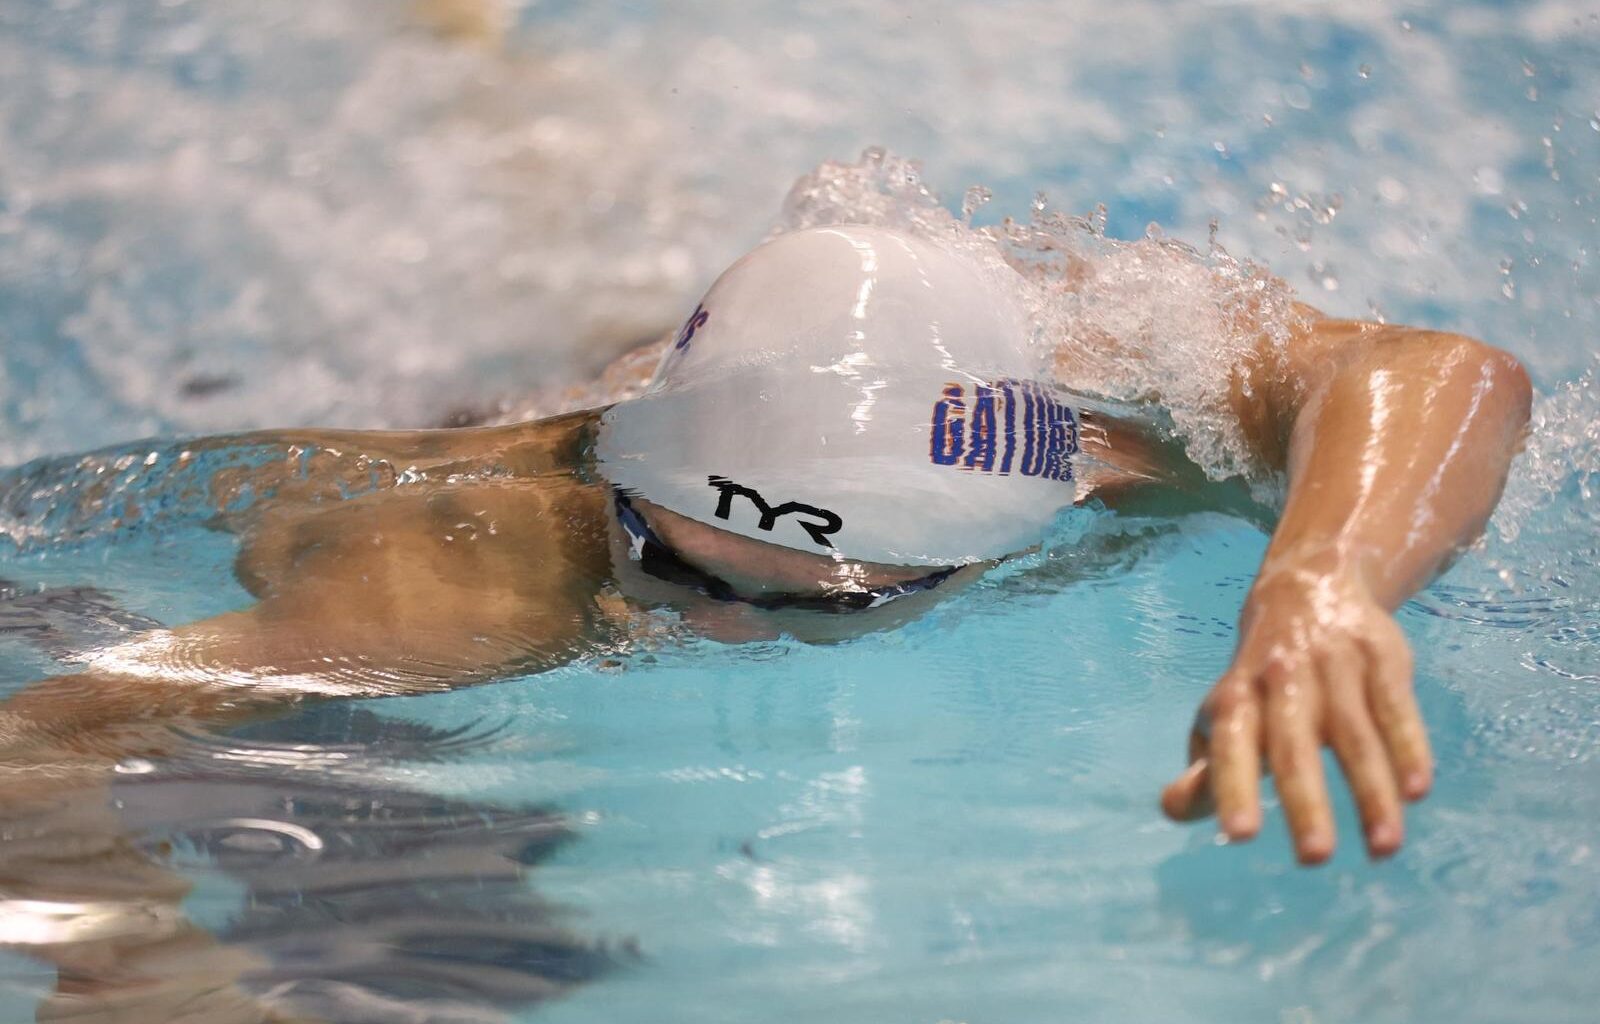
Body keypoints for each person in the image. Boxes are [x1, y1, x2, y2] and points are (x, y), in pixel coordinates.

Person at [0, 223, 1530, 875]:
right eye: (669, 564)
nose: (715, 629)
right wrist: (129, 962)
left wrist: (1321, 585)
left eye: (835, 608)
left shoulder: (1119, 435)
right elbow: (46, 741)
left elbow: (1444, 372)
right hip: (464, 409)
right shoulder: (475, 574)